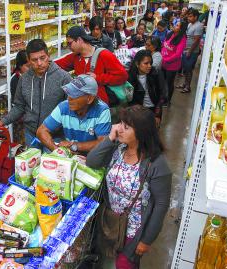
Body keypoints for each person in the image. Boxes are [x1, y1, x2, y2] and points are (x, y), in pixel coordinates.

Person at [87, 105, 171, 269]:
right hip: (112, 221)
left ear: (141, 133)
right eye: (120, 124)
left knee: (125, 264)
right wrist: (110, 138)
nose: (119, 129)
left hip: (134, 230)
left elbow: (161, 205)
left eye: (126, 127)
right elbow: (92, 162)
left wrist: (147, 240)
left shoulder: (156, 165)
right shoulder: (118, 149)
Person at [0, 39, 72, 147]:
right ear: (28, 60)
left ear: (48, 56)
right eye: (34, 60)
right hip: (30, 135)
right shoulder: (24, 79)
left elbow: (71, 108)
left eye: (42, 58)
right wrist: (3, 121)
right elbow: (19, 106)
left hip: (54, 136)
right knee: (32, 163)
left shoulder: (63, 78)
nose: (39, 63)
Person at [36, 75, 111, 153]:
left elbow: (103, 143)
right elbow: (41, 130)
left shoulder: (102, 110)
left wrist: (75, 146)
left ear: (89, 99)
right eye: (69, 93)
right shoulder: (63, 107)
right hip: (70, 153)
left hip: (92, 156)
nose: (69, 98)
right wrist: (56, 151)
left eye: (75, 95)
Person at [56, 26, 129, 106]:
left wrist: (98, 78)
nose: (68, 47)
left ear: (80, 40)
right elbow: (56, 65)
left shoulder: (104, 55)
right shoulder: (75, 57)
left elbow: (122, 76)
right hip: (82, 105)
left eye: (70, 43)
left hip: (101, 105)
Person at [128, 50, 166, 125]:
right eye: (146, 63)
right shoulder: (131, 78)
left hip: (154, 109)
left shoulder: (156, 73)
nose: (149, 66)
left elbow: (162, 93)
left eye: (150, 63)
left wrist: (157, 114)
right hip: (139, 111)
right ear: (137, 64)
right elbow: (130, 99)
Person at [161, 20, 187, 104]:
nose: (175, 26)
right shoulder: (170, 34)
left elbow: (177, 54)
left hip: (172, 66)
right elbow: (164, 45)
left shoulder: (182, 39)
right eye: (176, 24)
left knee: (169, 83)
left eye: (178, 25)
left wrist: (166, 59)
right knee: (162, 81)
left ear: (181, 29)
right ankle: (163, 97)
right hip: (163, 62)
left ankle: (167, 100)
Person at [179, 8, 203, 93]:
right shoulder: (190, 24)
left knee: (189, 69)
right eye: (188, 16)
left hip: (192, 52)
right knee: (185, 68)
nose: (188, 18)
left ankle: (188, 87)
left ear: (196, 17)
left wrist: (189, 51)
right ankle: (185, 84)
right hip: (186, 50)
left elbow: (196, 40)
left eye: (190, 16)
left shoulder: (199, 26)